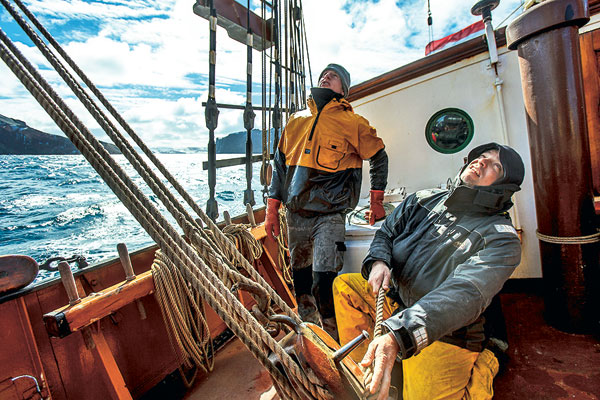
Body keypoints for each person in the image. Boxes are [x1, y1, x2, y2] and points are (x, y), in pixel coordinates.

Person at [333, 142, 525, 399]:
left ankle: (488, 360)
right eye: (481, 156)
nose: (482, 162)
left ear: (504, 186)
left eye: (495, 165)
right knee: (345, 286)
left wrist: (398, 335)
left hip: (448, 333)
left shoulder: (501, 239)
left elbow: (465, 293)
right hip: (397, 301)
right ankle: (365, 371)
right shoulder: (425, 199)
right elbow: (387, 232)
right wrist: (378, 261)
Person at [264, 63, 389, 340]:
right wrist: (272, 210)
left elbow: (379, 157)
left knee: (323, 278)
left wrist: (376, 200)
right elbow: (280, 166)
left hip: (330, 215)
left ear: (343, 90)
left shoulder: (353, 123)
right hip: (295, 214)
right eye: (324, 74)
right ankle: (309, 332)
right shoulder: (295, 121)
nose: (326, 76)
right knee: (301, 277)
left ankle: (333, 334)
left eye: (334, 76)